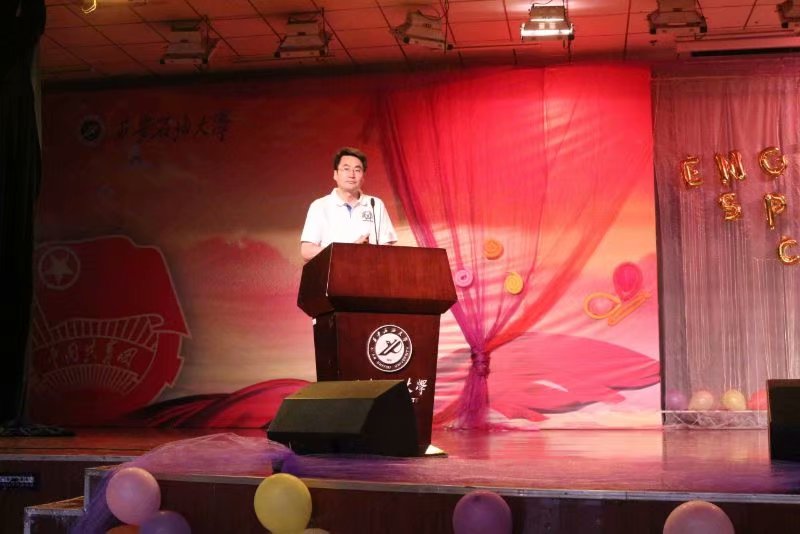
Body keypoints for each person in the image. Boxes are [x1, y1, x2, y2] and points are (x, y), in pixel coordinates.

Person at [300, 147, 397, 261]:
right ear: (335, 174)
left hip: (370, 269)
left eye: (357, 170)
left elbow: (387, 246)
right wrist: (347, 250)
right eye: (346, 169)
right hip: (333, 270)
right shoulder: (320, 206)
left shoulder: (375, 204)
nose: (351, 174)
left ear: (363, 177)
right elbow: (307, 251)